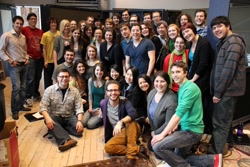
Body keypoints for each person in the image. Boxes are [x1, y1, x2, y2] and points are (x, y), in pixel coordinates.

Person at [151, 61, 222, 167]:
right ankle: (213, 160)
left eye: (178, 72)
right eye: (173, 72)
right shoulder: (182, 88)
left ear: (185, 73)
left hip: (192, 131)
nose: (175, 75)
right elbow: (182, 113)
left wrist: (162, 134)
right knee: (176, 157)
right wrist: (173, 127)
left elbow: (178, 114)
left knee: (158, 147)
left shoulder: (190, 89)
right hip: (185, 128)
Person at [210, 16, 246, 154]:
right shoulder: (226, 42)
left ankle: (215, 153)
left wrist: (218, 93)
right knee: (225, 119)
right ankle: (229, 143)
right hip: (225, 91)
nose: (216, 30)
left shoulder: (234, 42)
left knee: (219, 123)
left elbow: (228, 70)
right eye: (214, 28)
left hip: (227, 91)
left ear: (228, 26)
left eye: (219, 26)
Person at [100, 80, 147, 167]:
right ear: (106, 92)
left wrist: (120, 122)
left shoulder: (125, 101)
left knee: (131, 121)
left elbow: (133, 113)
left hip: (132, 130)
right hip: (120, 133)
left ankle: (131, 157)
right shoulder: (103, 103)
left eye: (115, 90)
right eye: (110, 90)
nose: (113, 93)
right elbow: (105, 120)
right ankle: (138, 149)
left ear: (119, 91)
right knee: (108, 148)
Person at [40, 69, 83, 152]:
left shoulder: (75, 91)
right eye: (62, 76)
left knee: (79, 131)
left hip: (69, 116)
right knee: (49, 120)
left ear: (69, 78)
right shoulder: (49, 90)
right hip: (55, 116)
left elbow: (79, 107)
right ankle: (66, 140)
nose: (64, 79)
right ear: (57, 78)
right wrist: (47, 118)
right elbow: (43, 107)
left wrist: (80, 121)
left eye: (66, 76)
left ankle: (57, 130)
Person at [181, 22, 213, 133]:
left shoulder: (203, 43)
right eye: (183, 33)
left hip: (202, 79)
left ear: (193, 30)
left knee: (198, 105)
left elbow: (203, 64)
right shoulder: (190, 43)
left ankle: (200, 130)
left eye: (187, 31)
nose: (186, 34)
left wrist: (192, 80)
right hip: (192, 76)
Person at [0, 16, 31, 120]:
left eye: (21, 24)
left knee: (23, 87)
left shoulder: (23, 37)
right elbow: (1, 51)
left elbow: (24, 50)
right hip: (14, 66)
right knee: (16, 88)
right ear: (13, 23)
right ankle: (15, 110)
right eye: (17, 23)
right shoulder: (6, 36)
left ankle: (21, 105)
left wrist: (27, 58)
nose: (19, 25)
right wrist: (10, 61)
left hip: (24, 64)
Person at [146, 71, 177, 151]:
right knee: (150, 147)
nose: (159, 84)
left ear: (167, 83)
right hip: (155, 129)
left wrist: (155, 133)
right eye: (157, 81)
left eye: (162, 81)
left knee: (155, 149)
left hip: (167, 131)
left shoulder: (171, 99)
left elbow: (169, 123)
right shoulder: (152, 93)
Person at [21, 13, 44, 105]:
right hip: (31, 58)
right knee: (30, 78)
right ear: (28, 20)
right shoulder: (24, 30)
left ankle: (35, 94)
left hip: (39, 58)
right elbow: (20, 43)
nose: (33, 20)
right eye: (31, 19)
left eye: (35, 19)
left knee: (38, 77)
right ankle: (28, 97)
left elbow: (42, 46)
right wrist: (25, 54)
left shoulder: (40, 32)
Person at [82, 62, 106, 129]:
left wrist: (101, 110)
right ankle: (94, 117)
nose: (99, 72)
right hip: (92, 106)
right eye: (97, 70)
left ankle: (103, 119)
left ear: (103, 72)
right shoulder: (90, 80)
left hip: (101, 108)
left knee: (90, 125)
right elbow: (90, 94)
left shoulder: (106, 82)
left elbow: (106, 98)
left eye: (101, 70)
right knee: (83, 123)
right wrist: (90, 107)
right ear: (94, 71)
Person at [41, 17, 60, 89]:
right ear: (49, 24)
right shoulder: (45, 35)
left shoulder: (60, 34)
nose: (53, 24)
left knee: (57, 79)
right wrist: (45, 60)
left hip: (58, 60)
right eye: (51, 22)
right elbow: (44, 48)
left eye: (54, 22)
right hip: (49, 61)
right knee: (48, 80)